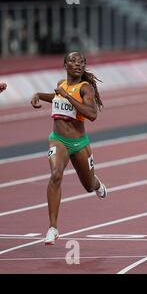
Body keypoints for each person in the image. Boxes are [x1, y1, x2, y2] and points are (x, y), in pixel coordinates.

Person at [30, 51, 107, 245]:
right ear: (65, 65)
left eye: (81, 62)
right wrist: (39, 95)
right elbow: (57, 98)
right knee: (56, 174)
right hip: (58, 140)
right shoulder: (60, 85)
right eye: (73, 61)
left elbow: (92, 114)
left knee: (88, 186)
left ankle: (97, 183)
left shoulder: (85, 88)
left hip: (79, 143)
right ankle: (52, 228)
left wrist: (69, 97)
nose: (78, 64)